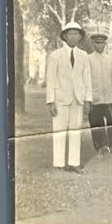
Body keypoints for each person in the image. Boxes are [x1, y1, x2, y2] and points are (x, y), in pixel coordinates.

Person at [46, 22, 92, 174]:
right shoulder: (55, 55)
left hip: (78, 99)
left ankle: (74, 162)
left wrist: (88, 99)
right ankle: (59, 163)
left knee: (75, 131)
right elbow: (51, 79)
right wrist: (51, 101)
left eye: (77, 34)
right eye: (70, 33)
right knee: (59, 130)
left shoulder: (84, 55)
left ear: (80, 37)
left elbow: (87, 78)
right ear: (64, 36)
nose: (74, 36)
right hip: (60, 99)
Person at [88, 31, 112, 157]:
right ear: (93, 44)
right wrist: (88, 98)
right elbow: (86, 79)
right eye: (97, 43)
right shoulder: (88, 59)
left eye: (102, 43)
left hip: (109, 97)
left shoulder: (110, 59)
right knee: (96, 124)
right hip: (95, 98)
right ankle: (100, 148)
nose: (99, 46)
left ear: (105, 44)